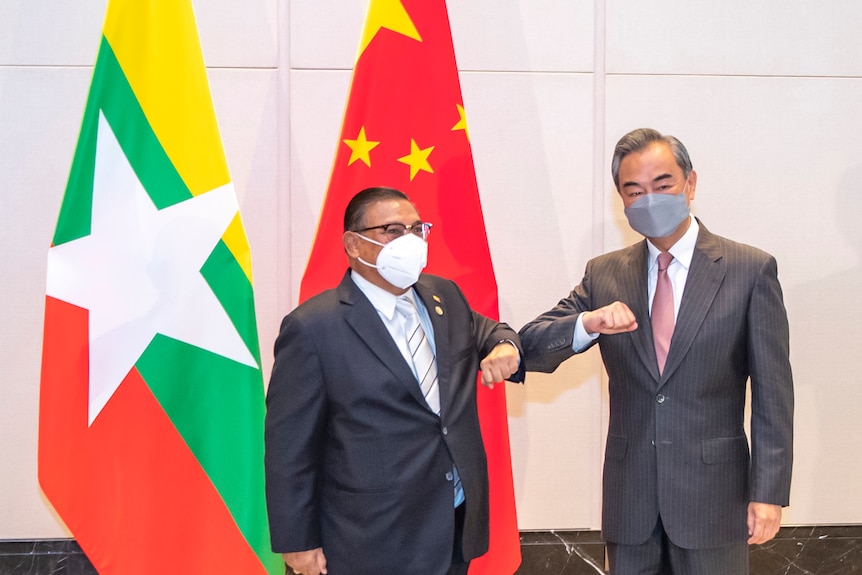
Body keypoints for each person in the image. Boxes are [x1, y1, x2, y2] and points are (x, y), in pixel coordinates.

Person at [518, 128, 794, 574]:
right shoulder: (605, 274)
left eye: (662, 185)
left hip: (715, 499)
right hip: (631, 503)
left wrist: (769, 492)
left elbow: (773, 394)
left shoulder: (749, 270)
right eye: (634, 190)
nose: (649, 198)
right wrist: (588, 322)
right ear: (622, 201)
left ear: (690, 183)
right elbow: (531, 343)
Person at [264, 186, 525, 575]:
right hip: (369, 539)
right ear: (354, 244)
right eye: (393, 230)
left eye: (417, 229)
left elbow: (488, 331)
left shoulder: (443, 295)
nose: (411, 241)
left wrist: (506, 345)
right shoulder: (313, 328)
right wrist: (297, 541)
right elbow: (289, 448)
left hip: (452, 525)